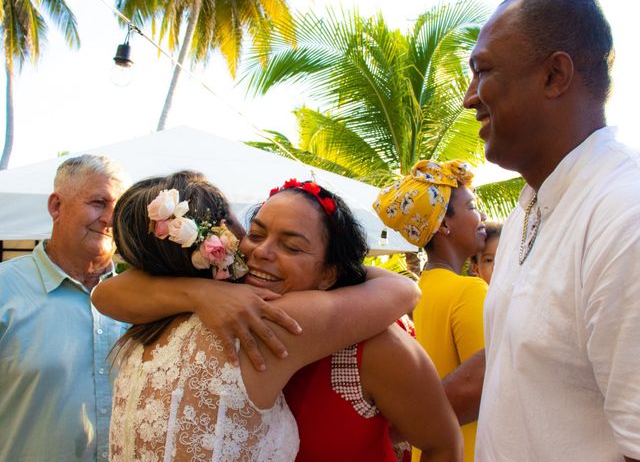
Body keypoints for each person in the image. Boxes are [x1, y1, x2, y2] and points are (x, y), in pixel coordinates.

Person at [103, 173, 462, 461]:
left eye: (292, 246)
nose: (261, 252)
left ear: (329, 272)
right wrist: (200, 292)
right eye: (255, 234)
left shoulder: (374, 344)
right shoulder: (214, 314)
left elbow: (443, 443)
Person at [461, 0, 640, 460]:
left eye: (482, 70)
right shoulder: (528, 207)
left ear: (555, 75)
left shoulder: (625, 218)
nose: (468, 98)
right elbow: (517, 357)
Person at [0, 154, 130, 461]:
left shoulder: (142, 301)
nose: (110, 219)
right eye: (99, 202)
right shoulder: (5, 289)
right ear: (56, 206)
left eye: (119, 209)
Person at [373, 159, 487, 462]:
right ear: (444, 225)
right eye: (473, 207)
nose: (482, 217)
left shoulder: (416, 292)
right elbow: (493, 387)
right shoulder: (470, 291)